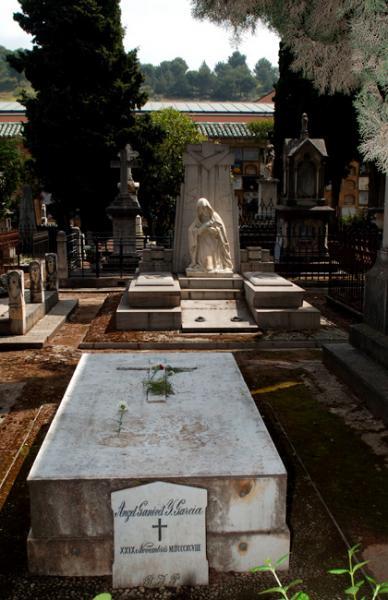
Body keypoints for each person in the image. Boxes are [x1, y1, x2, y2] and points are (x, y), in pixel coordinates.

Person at [188, 198, 233, 273]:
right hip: (203, 244)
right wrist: (199, 230)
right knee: (206, 262)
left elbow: (222, 230)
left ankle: (215, 264)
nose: (203, 210)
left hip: (214, 243)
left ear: (208, 207)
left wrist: (214, 230)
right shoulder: (199, 219)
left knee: (210, 264)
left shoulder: (214, 216)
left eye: (204, 207)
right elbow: (191, 230)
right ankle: (202, 264)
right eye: (201, 208)